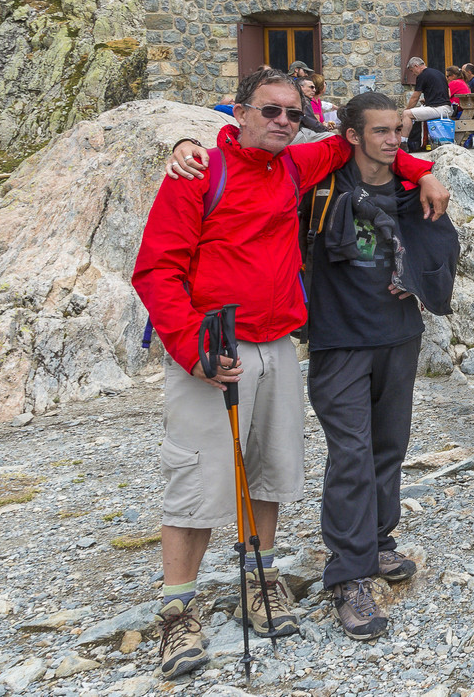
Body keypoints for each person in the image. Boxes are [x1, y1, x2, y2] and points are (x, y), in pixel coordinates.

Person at [134, 69, 446, 679]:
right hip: (213, 347)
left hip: (277, 342)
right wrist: (194, 347)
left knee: (270, 471)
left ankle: (260, 578)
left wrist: (422, 170)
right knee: (197, 479)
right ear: (239, 112)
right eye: (270, 110)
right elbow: (156, 270)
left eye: (293, 114)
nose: (282, 121)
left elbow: (367, 145)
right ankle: (177, 609)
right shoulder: (199, 174)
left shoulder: (294, 166)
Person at [304, 92, 460, 640]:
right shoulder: (321, 188)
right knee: (351, 453)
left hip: (398, 334)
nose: (394, 140)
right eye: (381, 131)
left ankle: (376, 542)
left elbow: (440, 248)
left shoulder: (411, 189)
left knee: (389, 445)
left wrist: (419, 283)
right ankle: (348, 575)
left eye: (398, 129)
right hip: (338, 338)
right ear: (352, 135)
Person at [400, 56, 452, 146]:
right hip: (447, 108)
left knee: (407, 114)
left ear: (416, 66)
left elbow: (415, 98)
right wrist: (428, 99)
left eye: (412, 71)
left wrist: (406, 110)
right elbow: (449, 94)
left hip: (438, 109)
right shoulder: (439, 73)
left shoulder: (422, 76)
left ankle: (403, 143)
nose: (413, 74)